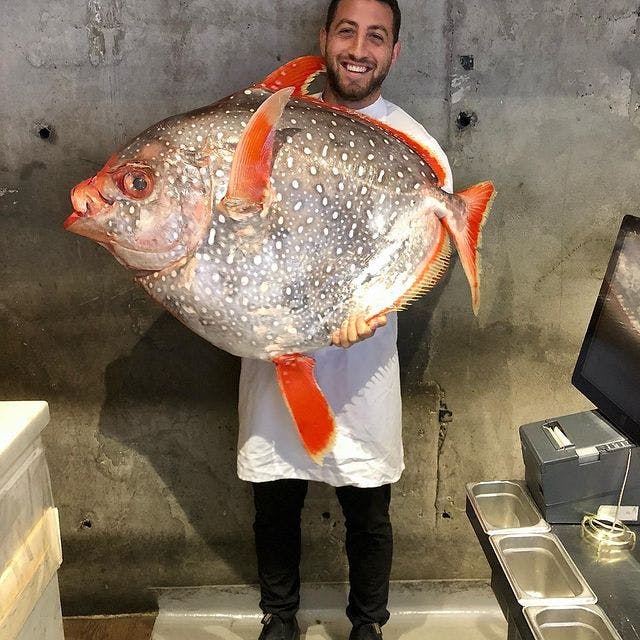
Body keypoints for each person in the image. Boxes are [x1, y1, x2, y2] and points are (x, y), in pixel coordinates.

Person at [237, 1, 453, 639]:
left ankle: (368, 626)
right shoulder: (270, 118)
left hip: (362, 360)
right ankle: (279, 620)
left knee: (368, 506)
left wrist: (375, 304)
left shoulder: (416, 146)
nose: (359, 48)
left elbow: (415, 249)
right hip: (272, 343)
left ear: (395, 51)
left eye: (376, 37)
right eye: (347, 31)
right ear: (323, 38)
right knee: (275, 499)